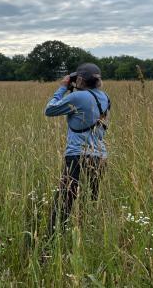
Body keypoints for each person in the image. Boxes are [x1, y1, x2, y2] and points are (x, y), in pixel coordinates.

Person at [44, 63, 110, 235]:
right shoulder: (104, 97)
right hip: (100, 156)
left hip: (77, 155)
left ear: (80, 79)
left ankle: (53, 237)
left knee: (64, 201)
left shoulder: (78, 97)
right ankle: (87, 236)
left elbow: (49, 110)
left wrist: (63, 88)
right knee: (91, 201)